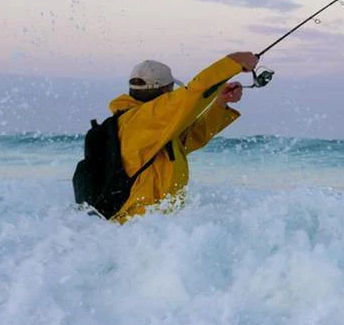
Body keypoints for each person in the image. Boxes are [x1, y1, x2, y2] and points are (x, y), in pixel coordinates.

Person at [104, 52, 258, 223]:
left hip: (151, 229)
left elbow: (191, 138)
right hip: (136, 229)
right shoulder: (142, 121)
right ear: (165, 91)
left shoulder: (151, 128)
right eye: (171, 91)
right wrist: (233, 63)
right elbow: (193, 94)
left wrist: (220, 104)